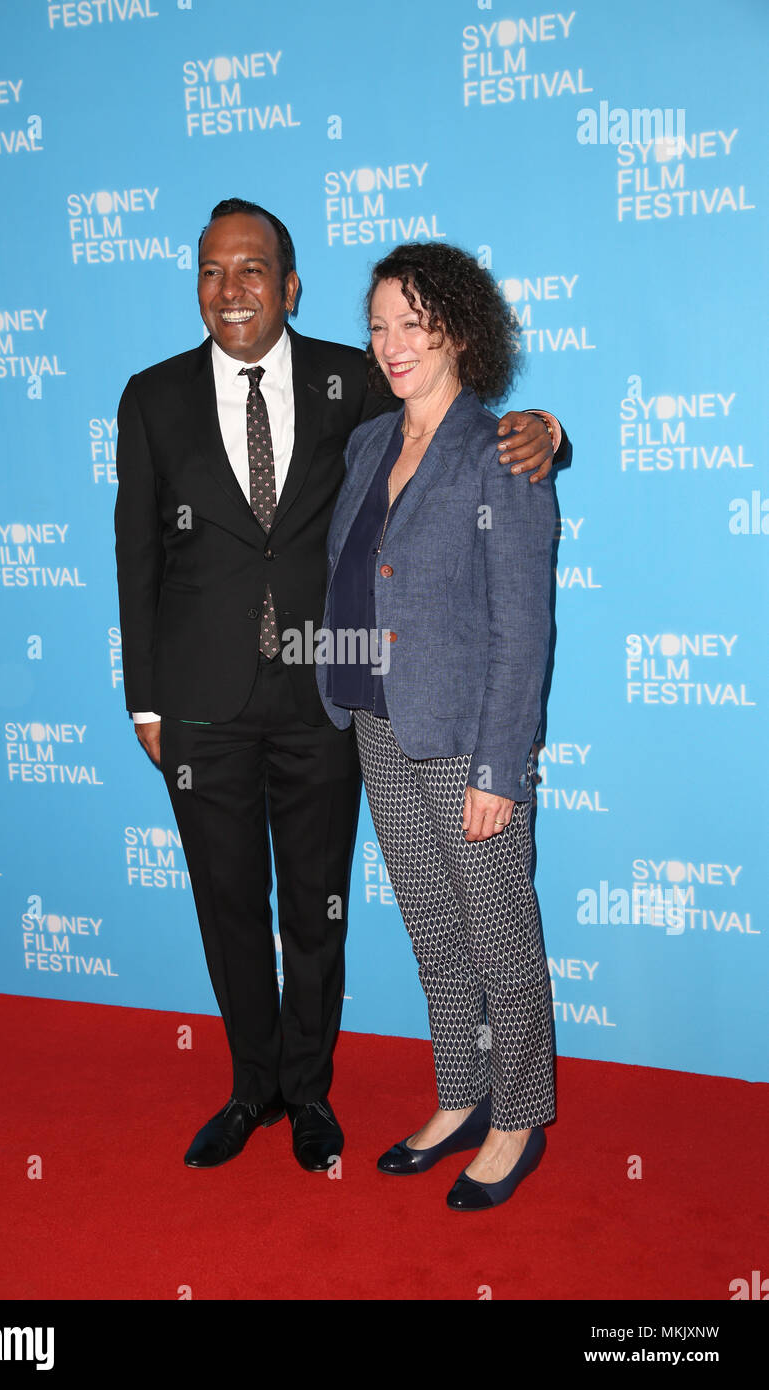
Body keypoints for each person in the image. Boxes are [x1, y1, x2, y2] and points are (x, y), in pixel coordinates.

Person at [114, 199, 565, 1175]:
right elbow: (135, 551)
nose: (229, 289)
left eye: (251, 270)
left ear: (287, 284)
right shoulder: (177, 402)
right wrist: (144, 698)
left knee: (395, 916)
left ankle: (408, 1104)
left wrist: (545, 425)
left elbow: (513, 593)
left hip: (383, 719)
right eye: (209, 270)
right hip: (273, 709)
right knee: (310, 916)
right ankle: (279, 1088)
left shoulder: (371, 395)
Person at [317, 240, 556, 1209]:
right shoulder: (367, 443)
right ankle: (459, 1093)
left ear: (457, 328)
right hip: (377, 722)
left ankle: (518, 1117)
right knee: (432, 932)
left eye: (411, 323)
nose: (390, 344)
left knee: (499, 936)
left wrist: (499, 767)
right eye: (377, 326)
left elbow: (522, 625)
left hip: (466, 741)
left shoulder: (501, 449)